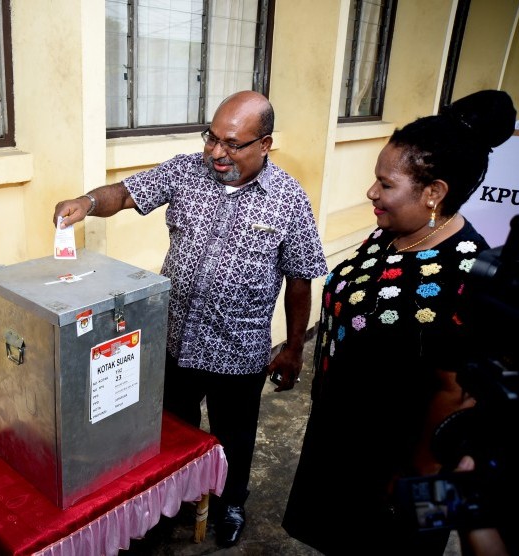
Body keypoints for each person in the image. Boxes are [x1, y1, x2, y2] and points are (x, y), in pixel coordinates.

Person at [53, 90, 328, 547]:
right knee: (171, 430)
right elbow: (123, 194)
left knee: (233, 437)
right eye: (211, 138)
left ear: (265, 144)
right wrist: (86, 202)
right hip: (175, 340)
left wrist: (295, 347)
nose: (217, 152)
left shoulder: (288, 200)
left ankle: (230, 502)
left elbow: (300, 279)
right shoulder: (185, 171)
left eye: (232, 143)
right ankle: (174, 501)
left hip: (237, 350)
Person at [282, 89, 516, 555]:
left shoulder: (467, 273)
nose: (372, 193)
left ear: (434, 193)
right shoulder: (392, 233)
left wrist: (418, 478)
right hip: (341, 432)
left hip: (399, 463)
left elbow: (455, 392)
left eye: (385, 185)